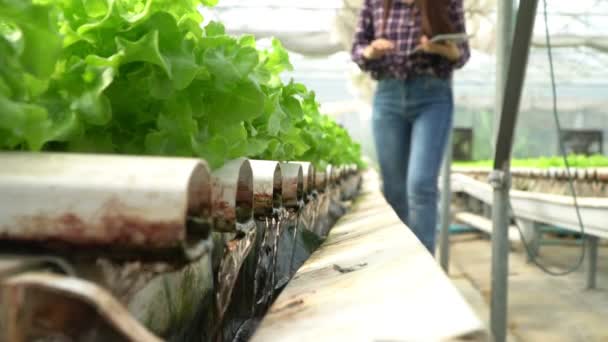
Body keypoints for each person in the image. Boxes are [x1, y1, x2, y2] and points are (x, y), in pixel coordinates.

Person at [351, 0, 470, 254]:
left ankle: (424, 264)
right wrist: (372, 51)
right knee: (394, 188)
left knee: (420, 184)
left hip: (432, 96)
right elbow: (357, 49)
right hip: (388, 96)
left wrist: (441, 49)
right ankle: (398, 260)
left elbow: (462, 54)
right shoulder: (375, 3)